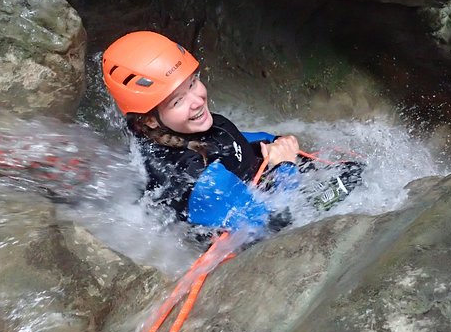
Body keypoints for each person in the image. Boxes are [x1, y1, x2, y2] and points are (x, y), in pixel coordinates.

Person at [102, 31, 305, 233]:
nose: (198, 101)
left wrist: (274, 142)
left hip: (244, 191)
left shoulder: (180, 128)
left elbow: (233, 139)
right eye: (178, 101)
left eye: (192, 83)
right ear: (150, 120)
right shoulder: (195, 178)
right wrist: (285, 167)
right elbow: (275, 225)